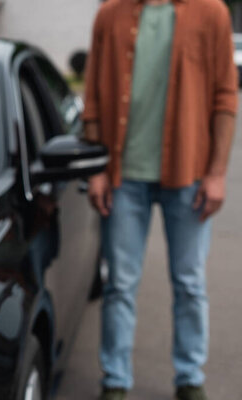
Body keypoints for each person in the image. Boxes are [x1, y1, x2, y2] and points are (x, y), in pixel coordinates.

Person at [83, 0, 237, 399]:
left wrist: (218, 173)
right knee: (119, 284)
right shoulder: (110, 13)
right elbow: (94, 97)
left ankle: (190, 377)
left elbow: (225, 96)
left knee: (189, 283)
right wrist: (97, 167)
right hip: (123, 176)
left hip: (189, 174)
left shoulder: (212, 12)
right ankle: (115, 380)